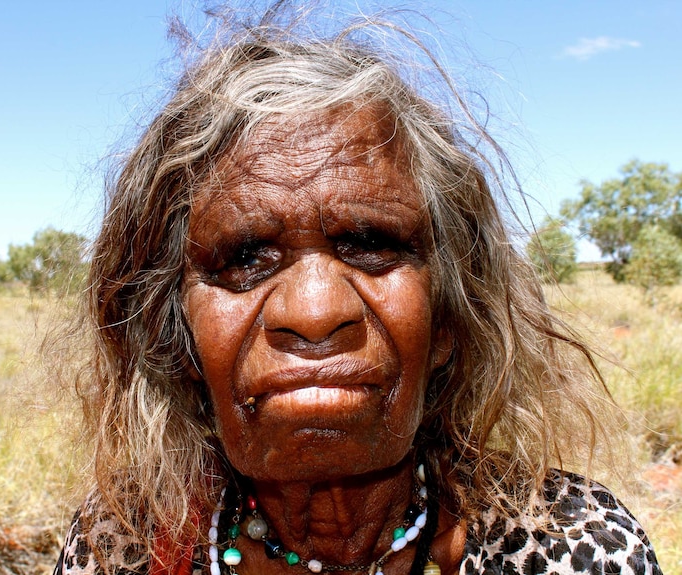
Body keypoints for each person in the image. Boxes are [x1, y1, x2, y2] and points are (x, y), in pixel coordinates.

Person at [54, 5, 662, 575]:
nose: (316, 312)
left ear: (449, 319)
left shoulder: (565, 546)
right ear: (174, 336)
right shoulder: (121, 548)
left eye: (372, 244)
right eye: (244, 258)